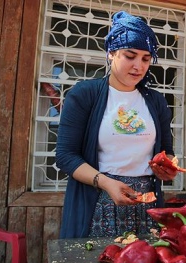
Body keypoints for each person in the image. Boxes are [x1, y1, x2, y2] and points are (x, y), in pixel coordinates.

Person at [56, 11, 178, 238]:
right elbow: (65, 156)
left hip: (146, 204)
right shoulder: (85, 95)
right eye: (130, 56)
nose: (138, 66)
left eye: (145, 58)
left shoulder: (156, 101)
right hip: (99, 200)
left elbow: (166, 151)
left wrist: (167, 168)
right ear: (111, 53)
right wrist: (107, 184)